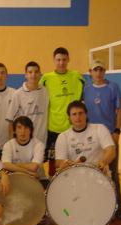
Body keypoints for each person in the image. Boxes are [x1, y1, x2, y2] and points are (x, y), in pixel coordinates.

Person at [83, 59, 121, 222]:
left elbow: (119, 110)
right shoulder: (86, 89)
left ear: (104, 71)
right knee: (92, 172)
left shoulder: (113, 87)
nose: (98, 73)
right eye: (95, 70)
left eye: (101, 70)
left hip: (109, 137)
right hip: (91, 138)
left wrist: (117, 131)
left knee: (113, 174)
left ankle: (119, 208)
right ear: (90, 71)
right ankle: (93, 207)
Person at [40, 47, 85, 175]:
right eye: (58, 60)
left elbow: (85, 96)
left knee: (73, 161)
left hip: (72, 129)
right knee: (54, 163)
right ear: (54, 60)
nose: (61, 62)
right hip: (53, 128)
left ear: (68, 59)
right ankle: (52, 190)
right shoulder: (46, 78)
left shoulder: (77, 76)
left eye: (64, 59)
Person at [55, 101, 115, 173]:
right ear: (69, 118)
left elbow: (111, 150)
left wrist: (103, 162)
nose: (78, 117)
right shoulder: (63, 136)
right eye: (74, 114)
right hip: (74, 176)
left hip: (99, 175)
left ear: (86, 114)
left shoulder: (99, 128)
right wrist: (66, 163)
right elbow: (58, 161)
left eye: (80, 113)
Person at [6, 61, 49, 145]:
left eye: (36, 72)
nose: (33, 75)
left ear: (40, 74)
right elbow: (10, 121)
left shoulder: (45, 91)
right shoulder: (18, 94)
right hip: (23, 143)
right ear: (25, 75)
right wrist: (12, 144)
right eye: (30, 72)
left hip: (42, 142)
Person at [2, 116, 47, 188]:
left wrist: (13, 165)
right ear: (14, 131)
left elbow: (33, 167)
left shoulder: (39, 145)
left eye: (26, 128)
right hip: (17, 179)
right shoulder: (8, 145)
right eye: (19, 128)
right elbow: (6, 165)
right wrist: (27, 172)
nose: (23, 131)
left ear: (31, 130)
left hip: (36, 180)